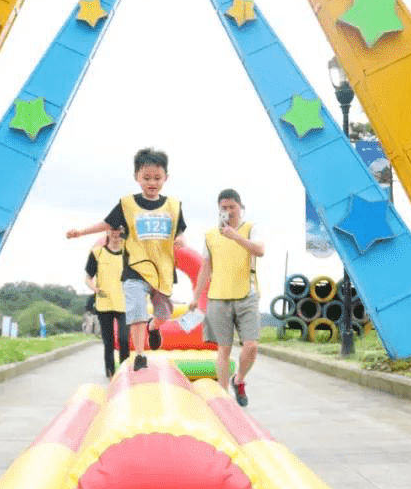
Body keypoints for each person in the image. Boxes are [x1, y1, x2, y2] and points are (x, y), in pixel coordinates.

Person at [67, 147, 185, 371]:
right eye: (146, 177)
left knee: (164, 313)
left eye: (157, 178)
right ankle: (140, 355)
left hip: (162, 271)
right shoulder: (127, 204)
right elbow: (107, 223)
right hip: (134, 269)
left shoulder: (174, 206)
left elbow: (179, 231)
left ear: (166, 178)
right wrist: (81, 232)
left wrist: (181, 240)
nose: (152, 182)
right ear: (136, 178)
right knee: (137, 312)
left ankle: (154, 328)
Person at [189, 188, 264, 406]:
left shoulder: (251, 228)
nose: (229, 211)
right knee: (223, 349)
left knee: (251, 346)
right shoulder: (211, 235)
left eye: (232, 207)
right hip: (218, 296)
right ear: (219, 209)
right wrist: (196, 297)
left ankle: (239, 379)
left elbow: (260, 251)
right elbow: (205, 267)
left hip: (246, 294)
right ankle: (223, 398)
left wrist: (235, 236)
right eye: (224, 208)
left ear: (241, 207)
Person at [85, 227, 130, 377]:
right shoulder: (97, 253)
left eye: (119, 234)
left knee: (123, 338)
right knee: (108, 341)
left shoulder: (129, 251)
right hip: (104, 303)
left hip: (124, 302)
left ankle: (125, 372)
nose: (116, 237)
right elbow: (88, 278)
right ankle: (110, 372)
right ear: (108, 234)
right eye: (113, 233)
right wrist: (94, 288)